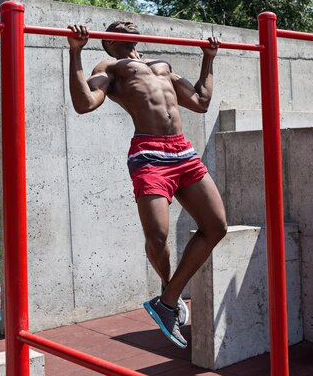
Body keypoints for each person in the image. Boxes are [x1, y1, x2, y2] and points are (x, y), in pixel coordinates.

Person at [67, 21, 228, 349]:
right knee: (157, 235)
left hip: (183, 151)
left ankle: (167, 301)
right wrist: (75, 53)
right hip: (150, 155)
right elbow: (85, 103)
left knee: (216, 226)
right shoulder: (110, 66)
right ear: (108, 42)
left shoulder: (162, 66)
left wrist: (208, 58)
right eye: (117, 27)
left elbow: (200, 101)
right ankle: (169, 292)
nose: (126, 24)